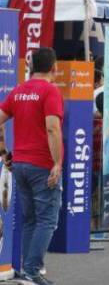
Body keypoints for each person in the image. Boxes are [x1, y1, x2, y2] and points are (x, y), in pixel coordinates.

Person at [0, 48, 63, 285]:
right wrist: (57, 163)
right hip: (42, 164)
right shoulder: (50, 91)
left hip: (21, 164)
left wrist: (4, 151)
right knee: (47, 220)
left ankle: (28, 269)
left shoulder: (18, 90)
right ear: (53, 67)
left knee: (31, 219)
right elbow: (52, 128)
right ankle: (32, 271)